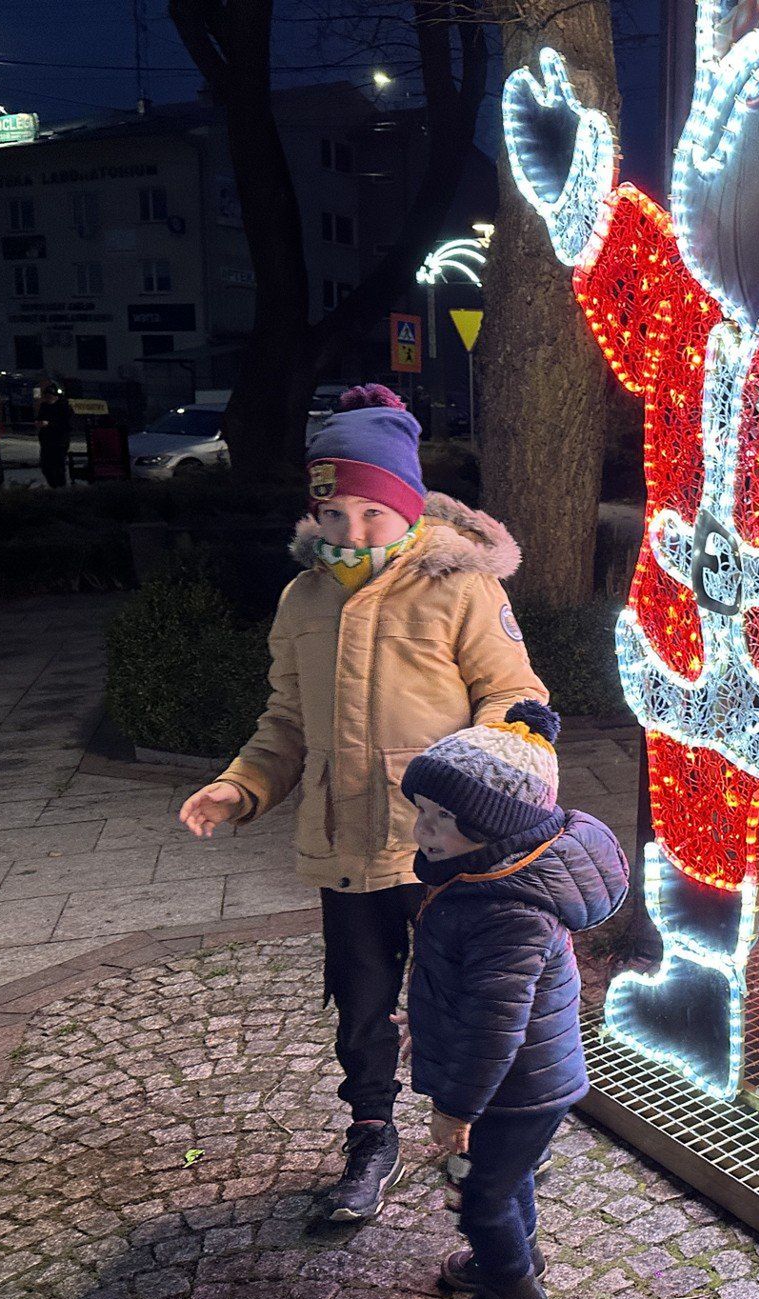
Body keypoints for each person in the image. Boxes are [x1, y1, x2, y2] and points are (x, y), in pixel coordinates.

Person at [177, 383, 547, 1223]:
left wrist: (493, 765)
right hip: (346, 844)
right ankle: (371, 1135)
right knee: (361, 1002)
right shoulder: (303, 599)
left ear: (406, 507)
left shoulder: (460, 588)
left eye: (372, 514)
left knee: (465, 1000)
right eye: (335, 513)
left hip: (445, 845)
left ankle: (477, 1132)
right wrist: (240, 786)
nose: (351, 532)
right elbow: (285, 722)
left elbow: (513, 694)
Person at [399, 699, 628, 1299]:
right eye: (422, 811)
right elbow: (470, 993)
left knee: (483, 1197)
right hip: (519, 1077)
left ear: (494, 826)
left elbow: (494, 1026)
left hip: (520, 1085)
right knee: (507, 1177)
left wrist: (456, 1109)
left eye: (444, 819)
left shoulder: (508, 911)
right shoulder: (483, 877)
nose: (423, 830)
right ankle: (517, 1258)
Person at [37, 383, 73, 488]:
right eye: (46, 396)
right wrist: (39, 423)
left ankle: (60, 487)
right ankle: (53, 485)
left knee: (58, 465)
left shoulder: (63, 406)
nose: (47, 398)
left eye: (49, 396)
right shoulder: (44, 406)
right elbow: (40, 418)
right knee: (45, 465)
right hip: (46, 441)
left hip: (59, 441)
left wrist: (49, 424)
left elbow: (66, 424)